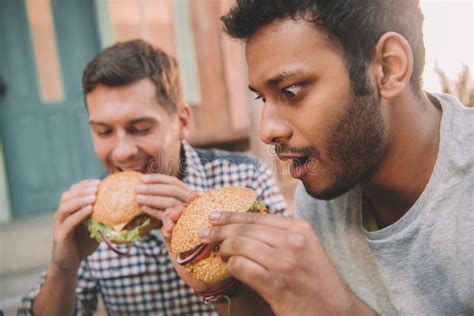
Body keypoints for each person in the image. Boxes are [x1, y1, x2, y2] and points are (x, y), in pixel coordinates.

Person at [161, 1, 474, 315]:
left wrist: (340, 309)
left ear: (389, 68)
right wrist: (226, 288)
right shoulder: (323, 192)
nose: (267, 130)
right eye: (262, 98)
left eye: (292, 91)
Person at [18, 39, 288, 315]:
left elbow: (290, 298)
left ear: (182, 122)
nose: (122, 152)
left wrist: (208, 245)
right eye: (103, 132)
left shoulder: (245, 179)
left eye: (141, 128)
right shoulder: (91, 215)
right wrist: (63, 269)